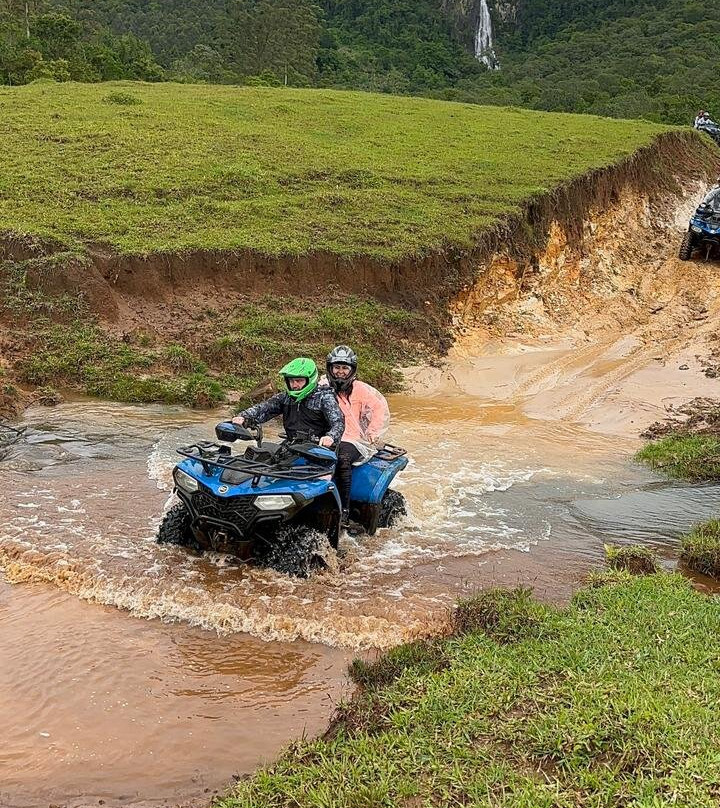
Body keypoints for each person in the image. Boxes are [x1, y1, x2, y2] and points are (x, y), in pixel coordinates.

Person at [324, 345, 390, 524]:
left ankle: (344, 510)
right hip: (324, 436)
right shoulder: (321, 386)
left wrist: (372, 431)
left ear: (352, 370)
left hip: (352, 439)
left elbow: (379, 409)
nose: (340, 372)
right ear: (330, 368)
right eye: (336, 367)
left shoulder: (361, 389)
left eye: (345, 368)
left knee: (342, 459)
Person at [232, 357, 344, 448]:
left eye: (299, 381)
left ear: (310, 379)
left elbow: (338, 423)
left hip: (319, 451)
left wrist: (330, 437)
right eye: (291, 381)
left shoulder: (324, 398)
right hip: (291, 446)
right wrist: (243, 417)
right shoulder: (286, 397)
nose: (294, 385)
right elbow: (263, 408)